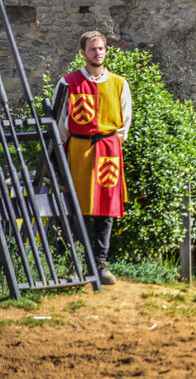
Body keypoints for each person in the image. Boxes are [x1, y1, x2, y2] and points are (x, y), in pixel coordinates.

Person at [55, 31, 131, 285]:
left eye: (101, 48)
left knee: (106, 208)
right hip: (78, 148)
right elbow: (60, 123)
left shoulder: (120, 83)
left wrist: (109, 143)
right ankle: (78, 262)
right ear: (83, 53)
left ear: (106, 50)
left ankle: (100, 262)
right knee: (77, 206)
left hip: (109, 150)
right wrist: (73, 146)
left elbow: (124, 125)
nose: (98, 52)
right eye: (92, 49)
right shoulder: (68, 82)